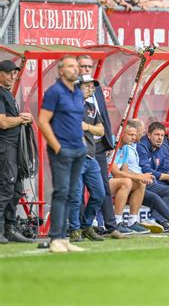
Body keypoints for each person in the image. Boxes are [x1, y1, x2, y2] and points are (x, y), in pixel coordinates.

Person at [38, 56, 87, 253]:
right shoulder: (54, 92)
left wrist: (82, 143)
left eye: (76, 67)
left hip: (78, 150)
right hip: (62, 150)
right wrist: (57, 147)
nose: (75, 70)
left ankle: (64, 238)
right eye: (70, 66)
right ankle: (56, 238)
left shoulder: (77, 93)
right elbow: (42, 121)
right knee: (61, 193)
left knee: (73, 194)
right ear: (60, 70)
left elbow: (76, 121)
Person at [77, 55, 126, 239]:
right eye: (83, 66)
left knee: (102, 187)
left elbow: (102, 116)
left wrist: (108, 141)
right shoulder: (71, 91)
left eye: (89, 66)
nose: (86, 69)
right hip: (79, 148)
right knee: (78, 190)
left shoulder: (95, 89)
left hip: (97, 145)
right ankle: (82, 227)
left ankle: (111, 226)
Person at [68, 75, 107, 243]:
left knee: (99, 193)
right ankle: (75, 230)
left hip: (90, 157)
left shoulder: (91, 107)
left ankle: (86, 226)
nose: (91, 89)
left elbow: (101, 131)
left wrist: (87, 127)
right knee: (76, 195)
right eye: (87, 86)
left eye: (93, 86)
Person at [0, 60, 34, 244]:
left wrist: (25, 119)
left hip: (14, 149)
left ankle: (10, 229)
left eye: (14, 73)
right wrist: (21, 119)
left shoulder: (9, 95)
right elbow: (3, 122)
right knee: (5, 189)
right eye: (8, 73)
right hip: (5, 149)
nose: (12, 76)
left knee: (15, 190)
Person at [109, 121, 152, 234]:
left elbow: (125, 171)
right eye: (130, 135)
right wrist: (140, 176)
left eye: (135, 135)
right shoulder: (112, 143)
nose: (134, 138)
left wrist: (140, 178)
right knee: (127, 182)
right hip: (104, 181)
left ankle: (132, 222)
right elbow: (116, 173)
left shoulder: (126, 148)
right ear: (122, 133)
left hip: (115, 181)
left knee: (140, 183)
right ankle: (116, 222)